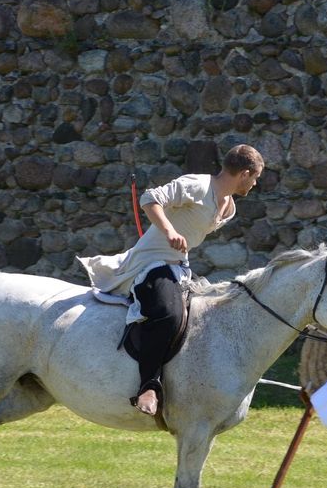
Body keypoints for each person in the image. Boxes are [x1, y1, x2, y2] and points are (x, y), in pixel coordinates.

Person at [79, 144, 265, 416]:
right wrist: (168, 231)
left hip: (179, 267)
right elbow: (149, 198)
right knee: (168, 314)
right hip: (149, 264)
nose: (256, 183)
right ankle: (148, 386)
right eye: (255, 177)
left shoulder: (228, 208)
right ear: (245, 173)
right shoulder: (198, 186)